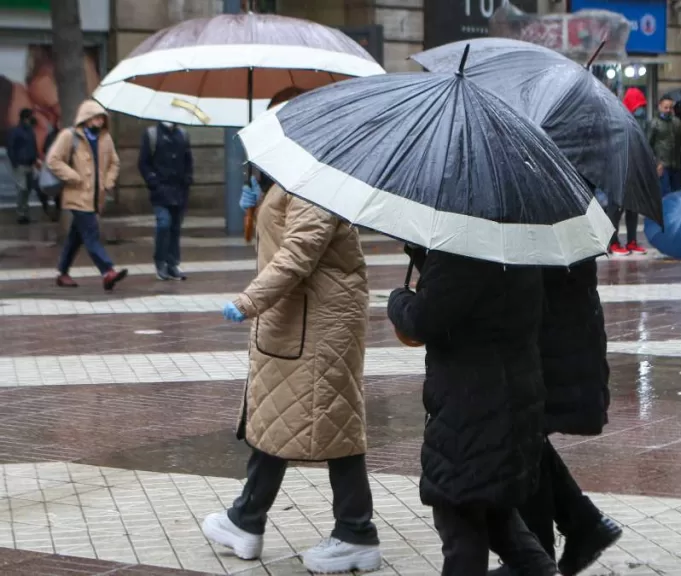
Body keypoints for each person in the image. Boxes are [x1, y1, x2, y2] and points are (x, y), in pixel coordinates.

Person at [202, 87, 380, 574]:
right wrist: (259, 205)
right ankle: (248, 518)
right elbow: (282, 243)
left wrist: (248, 301)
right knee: (283, 417)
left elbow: (298, 254)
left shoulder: (312, 179)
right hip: (299, 322)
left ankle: (356, 532)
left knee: (331, 422)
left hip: (317, 325)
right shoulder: (294, 177)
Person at [387, 248, 558, 576]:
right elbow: (477, 301)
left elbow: (424, 319)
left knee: (460, 522)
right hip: (512, 403)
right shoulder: (517, 244)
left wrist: (398, 300)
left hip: (471, 413)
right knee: (499, 518)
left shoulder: (461, 249)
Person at [489, 257, 622, 576]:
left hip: (548, 339)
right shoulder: (544, 218)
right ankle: (580, 524)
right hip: (558, 333)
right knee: (527, 437)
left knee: (525, 435)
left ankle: (541, 553)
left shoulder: (529, 222)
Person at [45, 100, 127, 291]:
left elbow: (115, 162)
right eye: (96, 118)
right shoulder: (69, 136)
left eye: (101, 118)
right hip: (77, 196)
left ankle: (62, 272)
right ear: (86, 118)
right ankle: (108, 272)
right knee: (91, 234)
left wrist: (109, 181)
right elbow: (53, 160)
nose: (99, 121)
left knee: (76, 236)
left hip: (95, 197)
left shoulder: (105, 138)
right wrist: (72, 175)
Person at [138, 121, 193, 280]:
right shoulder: (152, 134)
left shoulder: (182, 134)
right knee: (164, 223)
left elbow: (188, 159)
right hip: (160, 190)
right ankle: (160, 262)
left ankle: (172, 264)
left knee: (175, 227)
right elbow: (143, 162)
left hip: (179, 190)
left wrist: (188, 178)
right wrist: (152, 180)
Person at [609, 87, 648, 256]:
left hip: (635, 168)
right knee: (616, 208)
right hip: (617, 170)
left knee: (633, 207)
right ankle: (612, 241)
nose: (641, 109)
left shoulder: (640, 123)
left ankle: (632, 240)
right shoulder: (618, 120)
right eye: (638, 105)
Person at [648, 95, 681, 196]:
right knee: (665, 194)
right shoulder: (654, 123)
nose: (668, 110)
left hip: (676, 164)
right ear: (660, 107)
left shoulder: (676, 122)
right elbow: (647, 146)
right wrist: (656, 163)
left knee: (677, 193)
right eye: (666, 107)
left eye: (670, 107)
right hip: (662, 165)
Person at [7, 108, 38, 224]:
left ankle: (25, 213)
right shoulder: (16, 131)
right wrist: (14, 162)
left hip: (29, 164)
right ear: (25, 118)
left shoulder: (30, 131)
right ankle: (21, 214)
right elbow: (11, 147)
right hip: (20, 164)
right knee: (22, 189)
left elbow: (33, 146)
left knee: (28, 189)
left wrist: (35, 159)